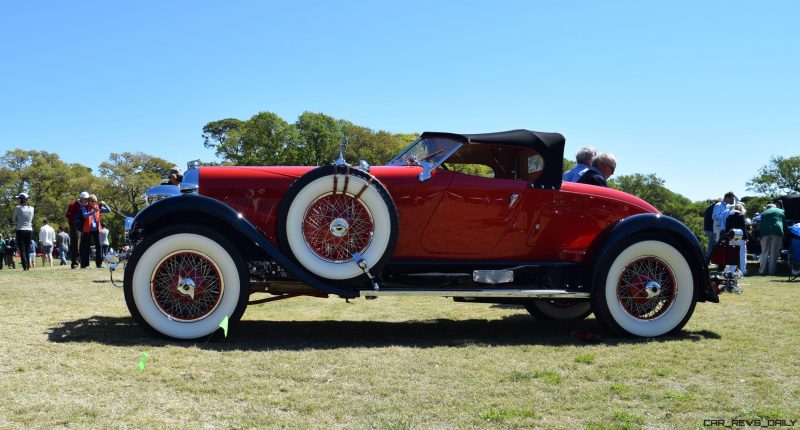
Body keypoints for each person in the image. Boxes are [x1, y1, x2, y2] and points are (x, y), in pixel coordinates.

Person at [80, 194, 111, 269]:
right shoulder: (84, 207)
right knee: (86, 247)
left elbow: (109, 210)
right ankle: (85, 265)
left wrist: (105, 204)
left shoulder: (97, 207)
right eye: (92, 201)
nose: (94, 203)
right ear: (89, 201)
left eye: (95, 201)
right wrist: (93, 211)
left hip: (97, 230)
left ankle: (99, 264)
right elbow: (84, 215)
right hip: (87, 230)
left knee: (99, 246)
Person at [758, 203, 785, 275]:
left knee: (764, 252)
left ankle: (762, 271)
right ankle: (771, 271)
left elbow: (761, 224)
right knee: (774, 252)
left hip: (764, 232)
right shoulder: (781, 211)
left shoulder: (764, 213)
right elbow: (784, 223)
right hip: (777, 230)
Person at [722, 203, 748, 275]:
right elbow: (743, 228)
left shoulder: (729, 217)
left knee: (733, 254)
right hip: (740, 236)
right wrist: (746, 237)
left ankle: (731, 270)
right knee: (742, 254)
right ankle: (743, 270)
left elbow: (727, 229)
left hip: (732, 237)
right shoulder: (741, 216)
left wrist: (728, 238)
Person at [66, 192, 89, 269]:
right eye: (85, 199)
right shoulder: (73, 204)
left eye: (87, 199)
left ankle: (83, 263)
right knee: (75, 244)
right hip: (75, 227)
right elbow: (68, 215)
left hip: (84, 227)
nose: (86, 200)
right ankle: (74, 262)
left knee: (84, 245)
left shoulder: (87, 205)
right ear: (81, 198)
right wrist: (74, 223)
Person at [12, 192, 34, 271]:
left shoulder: (18, 208)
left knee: (22, 249)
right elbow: (31, 219)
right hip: (29, 230)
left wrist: (19, 220)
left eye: (19, 199)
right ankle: (28, 266)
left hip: (20, 230)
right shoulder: (32, 208)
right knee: (27, 249)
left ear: (21, 199)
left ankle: (25, 267)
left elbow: (14, 219)